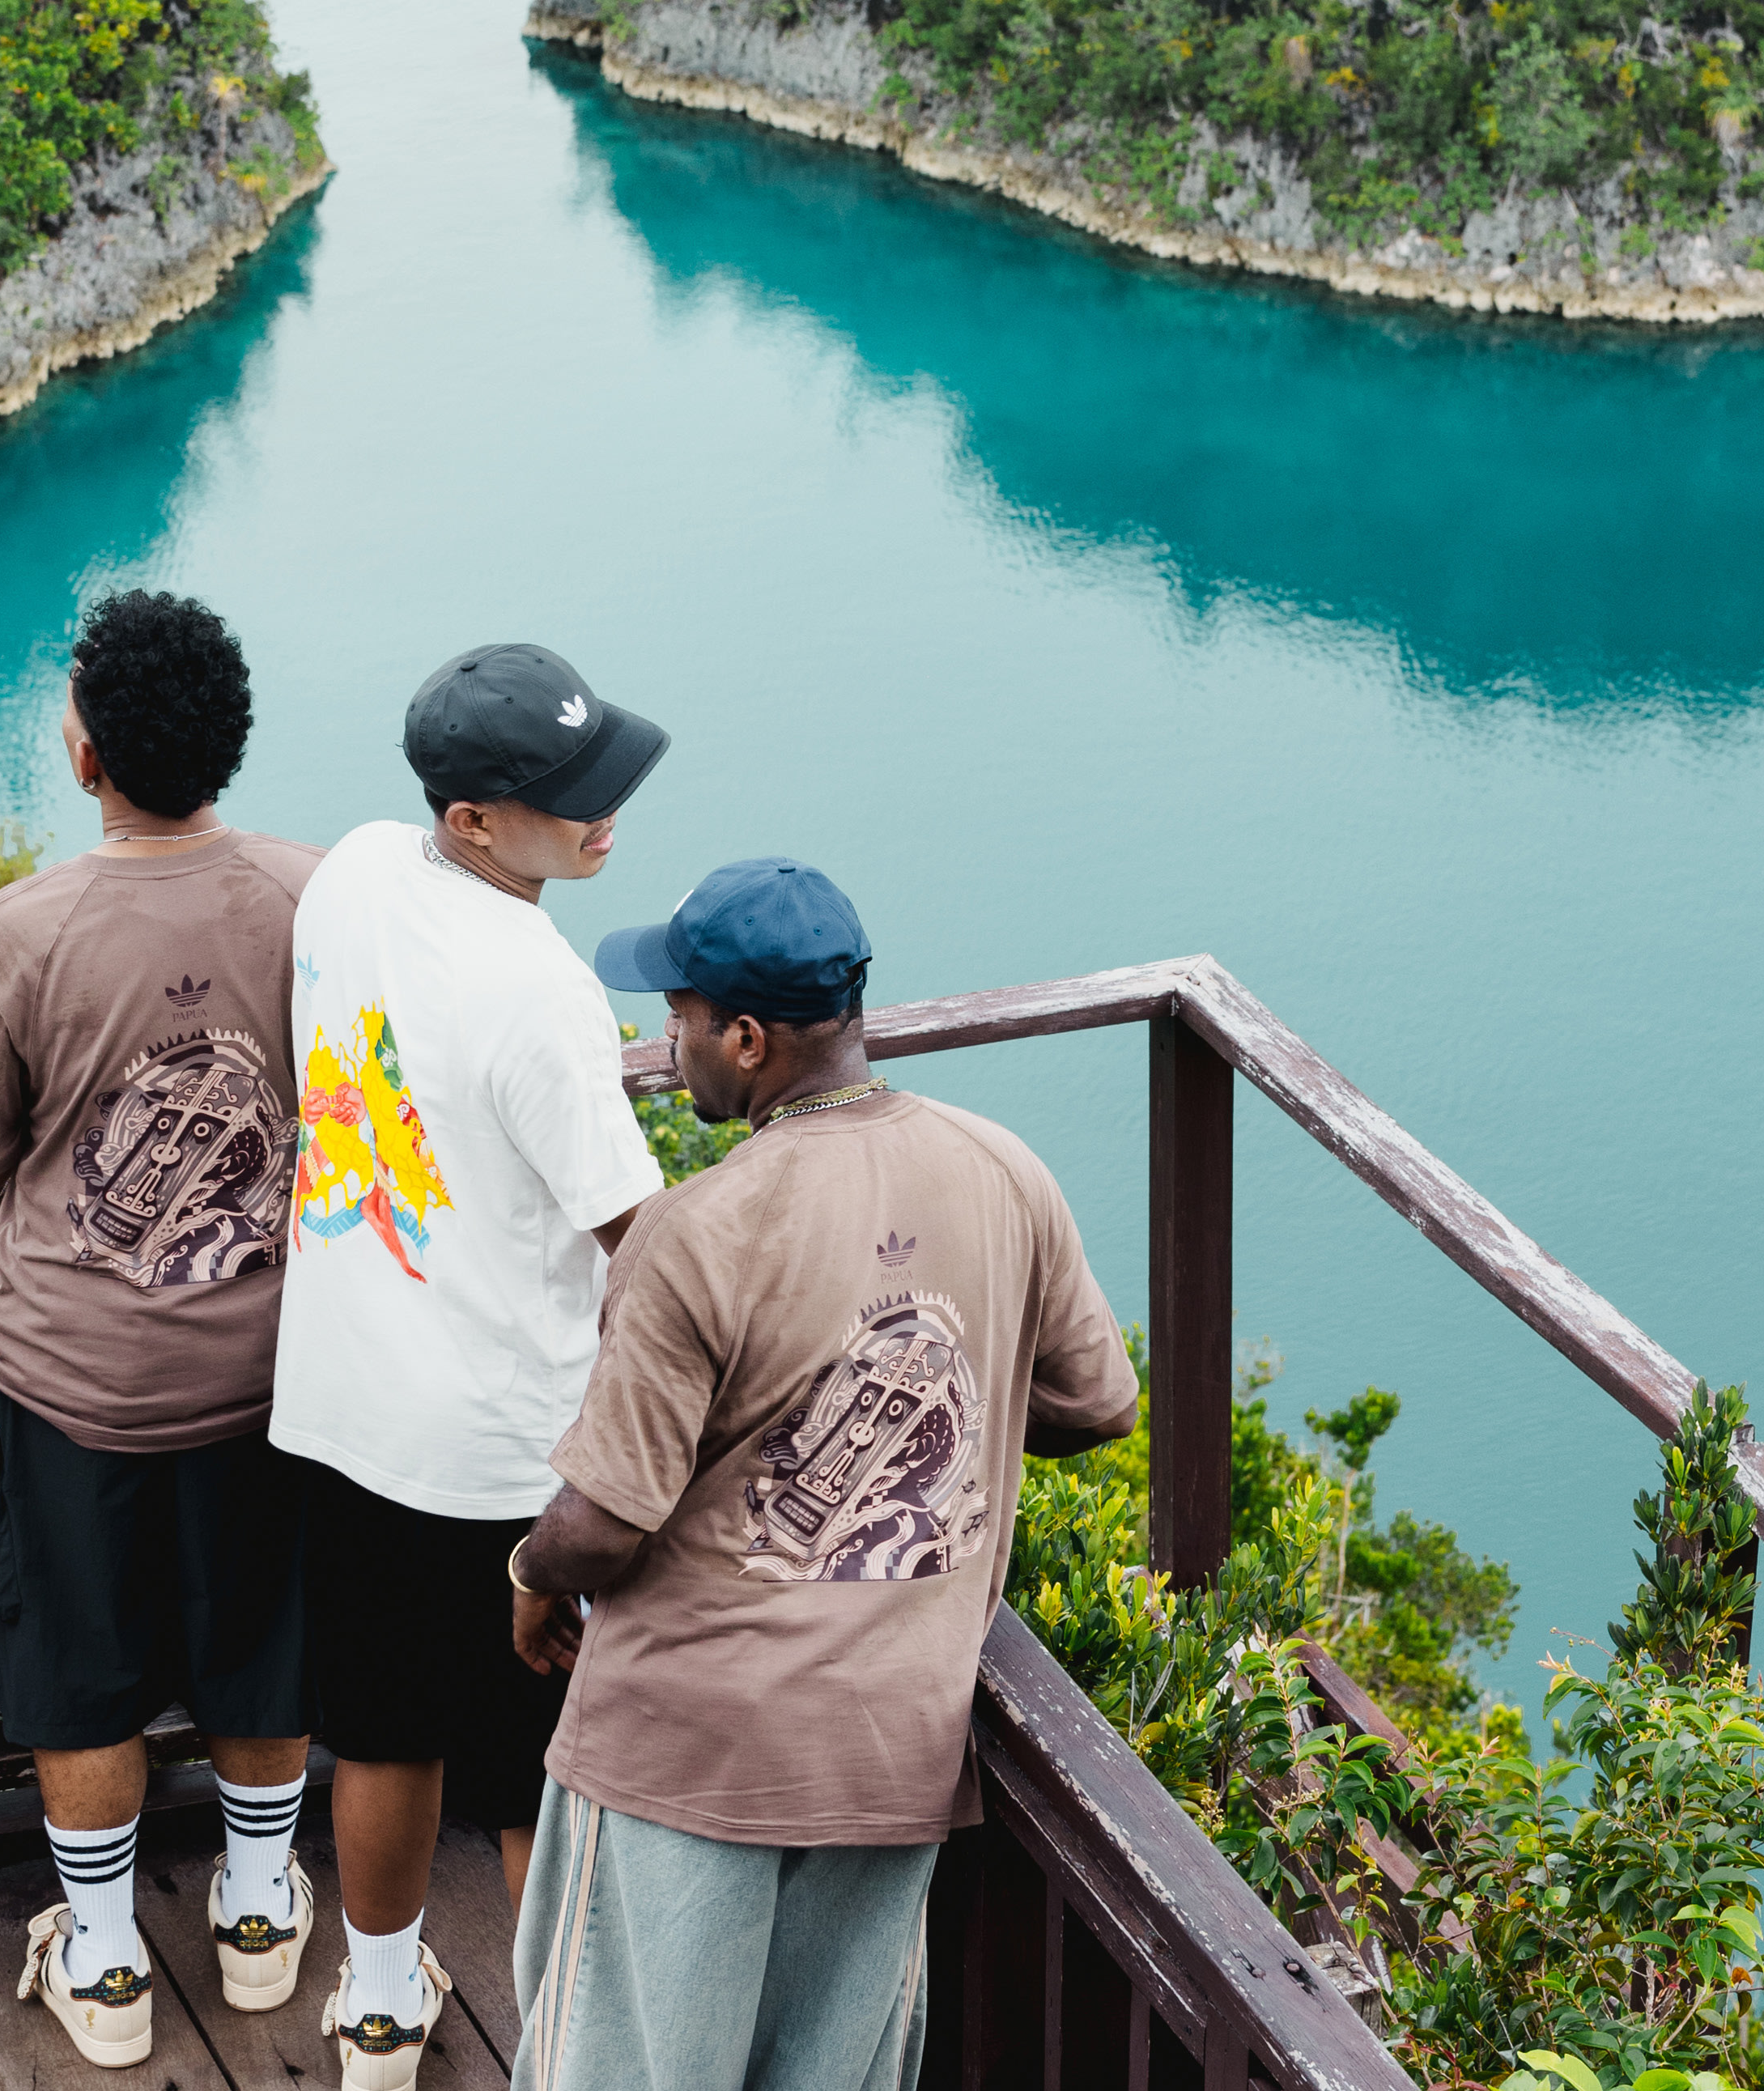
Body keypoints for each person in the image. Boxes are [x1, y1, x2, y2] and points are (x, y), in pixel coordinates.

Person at [502, 858, 1137, 2090]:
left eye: (677, 1019)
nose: (664, 1040)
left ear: (745, 1040)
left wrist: (530, 1568)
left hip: (688, 1755)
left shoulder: (701, 1228)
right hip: (891, 1747)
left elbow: (606, 1527)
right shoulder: (1002, 1168)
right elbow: (1093, 1403)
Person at [0, 591, 328, 2070]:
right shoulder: (311, 897)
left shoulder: (25, 929)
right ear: (228, 744)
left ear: (85, 756)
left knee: (78, 1670)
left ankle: (103, 1961)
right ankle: (263, 1905)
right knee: (262, 1645)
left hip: (73, 1380)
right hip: (273, 1369)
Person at [271, 642, 671, 2089]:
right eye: (569, 798)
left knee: (378, 1732)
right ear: (475, 825)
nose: (605, 813)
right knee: (529, 1772)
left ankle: (379, 2013)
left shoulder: (360, 874)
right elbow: (646, 1237)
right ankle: (565, 2040)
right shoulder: (543, 991)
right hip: (507, 1443)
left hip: (345, 1400)